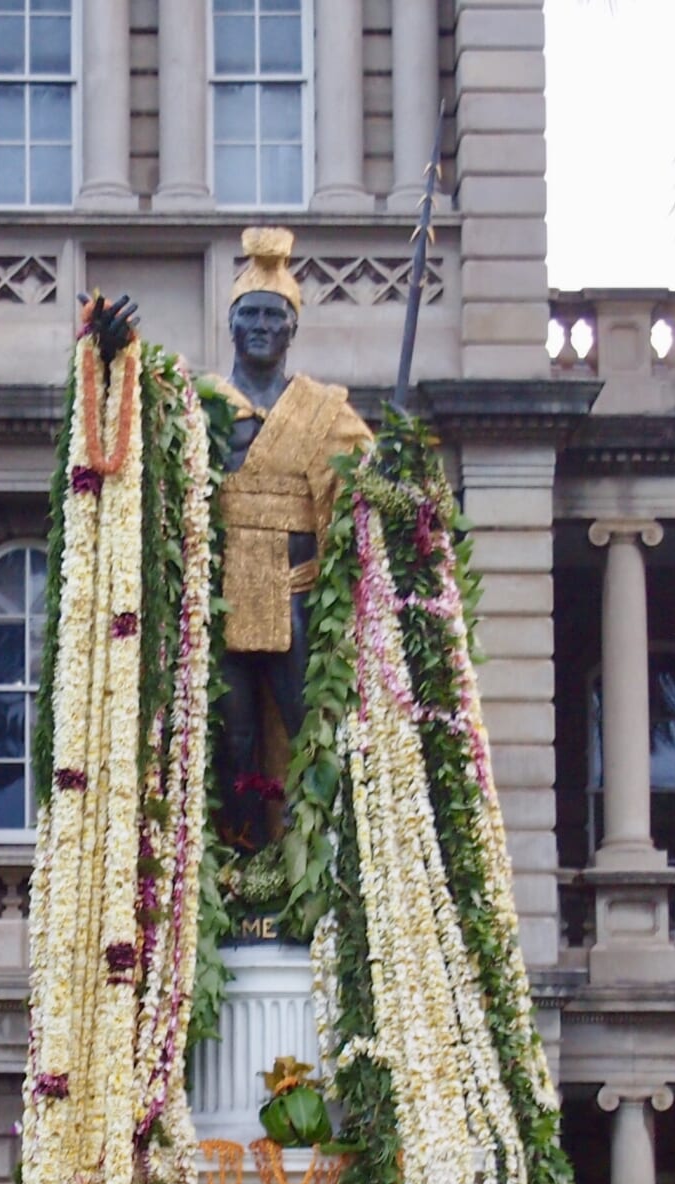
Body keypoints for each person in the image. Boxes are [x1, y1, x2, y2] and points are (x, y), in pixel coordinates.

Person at [215, 228, 371, 853]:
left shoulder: (323, 409)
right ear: (231, 325)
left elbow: (365, 482)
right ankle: (243, 856)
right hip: (225, 597)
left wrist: (392, 486)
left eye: (272, 316)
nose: (260, 325)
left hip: (296, 593)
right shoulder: (201, 405)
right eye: (249, 314)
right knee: (232, 735)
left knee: (310, 727)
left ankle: (313, 857)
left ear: (290, 329)